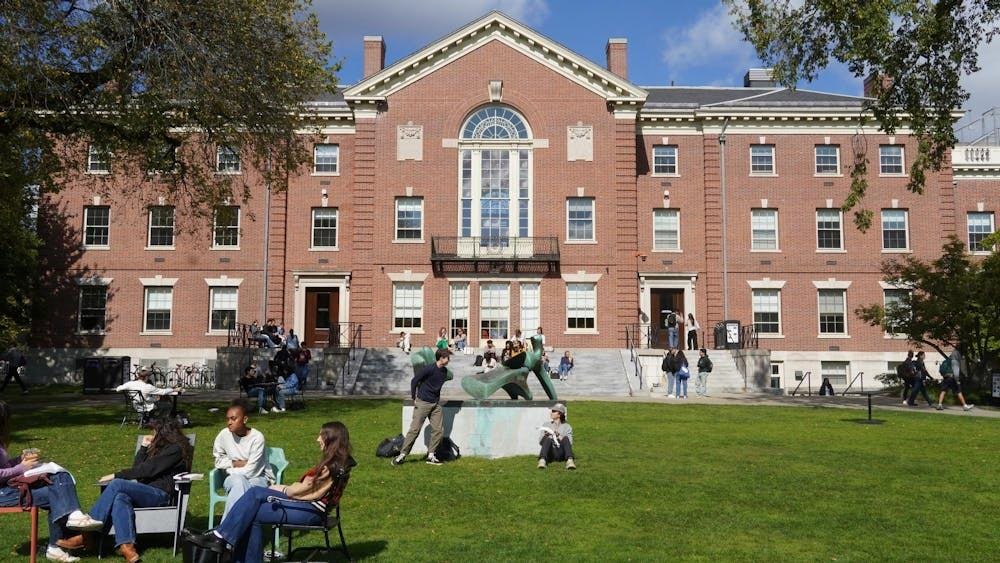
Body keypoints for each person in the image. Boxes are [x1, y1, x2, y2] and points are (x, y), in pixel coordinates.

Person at [188, 422, 355, 563]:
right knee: (252, 512)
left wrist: (281, 488)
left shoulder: (331, 467)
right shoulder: (339, 462)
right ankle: (232, 549)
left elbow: (307, 492)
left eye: (321, 436)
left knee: (254, 494)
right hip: (311, 507)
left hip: (310, 511)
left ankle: (220, 536)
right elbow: (309, 489)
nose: (317, 439)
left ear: (331, 439)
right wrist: (283, 488)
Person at [68, 417, 193, 562]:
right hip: (145, 492)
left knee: (117, 484)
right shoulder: (156, 448)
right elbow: (138, 469)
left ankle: (87, 534)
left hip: (160, 495)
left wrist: (116, 475)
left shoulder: (175, 449)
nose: (152, 435)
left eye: (154, 431)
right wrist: (144, 448)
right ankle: (128, 549)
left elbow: (149, 470)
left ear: (163, 432)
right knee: (120, 497)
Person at [0, 400, 94, 562]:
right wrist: (21, 467)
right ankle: (65, 534)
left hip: (10, 488)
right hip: (4, 494)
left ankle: (67, 528)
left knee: (59, 478)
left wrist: (19, 460)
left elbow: (4, 466)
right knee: (56, 492)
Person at [213, 399, 275, 520]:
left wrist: (229, 470)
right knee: (239, 482)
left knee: (243, 487)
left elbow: (251, 471)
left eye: (233, 419)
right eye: (227, 419)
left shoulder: (257, 438)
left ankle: (225, 532)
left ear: (245, 420)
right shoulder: (224, 435)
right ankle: (233, 532)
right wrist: (234, 463)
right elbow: (218, 461)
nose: (229, 422)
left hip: (259, 478)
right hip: (234, 479)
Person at [393, 348, 451, 466]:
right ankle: (402, 455)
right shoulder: (429, 369)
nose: (449, 360)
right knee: (414, 430)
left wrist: (436, 399)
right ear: (441, 358)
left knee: (438, 430)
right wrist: (414, 397)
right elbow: (414, 381)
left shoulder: (444, 372)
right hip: (423, 402)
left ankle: (431, 455)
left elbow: (436, 386)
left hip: (435, 405)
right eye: (447, 358)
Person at [116, 367, 181, 418]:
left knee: (154, 400)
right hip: (146, 406)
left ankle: (148, 419)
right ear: (146, 377)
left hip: (134, 405)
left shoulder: (130, 384)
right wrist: (174, 389)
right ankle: (157, 420)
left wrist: (127, 391)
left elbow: (118, 389)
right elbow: (163, 392)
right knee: (168, 406)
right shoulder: (147, 386)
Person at [537, 403, 576, 470]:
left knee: (566, 438)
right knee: (548, 438)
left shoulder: (567, 426)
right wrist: (546, 435)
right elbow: (540, 442)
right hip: (550, 452)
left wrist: (558, 436)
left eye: (553, 411)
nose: (551, 413)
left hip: (561, 452)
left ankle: (570, 461)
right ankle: (542, 460)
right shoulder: (546, 425)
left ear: (560, 414)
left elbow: (569, 443)